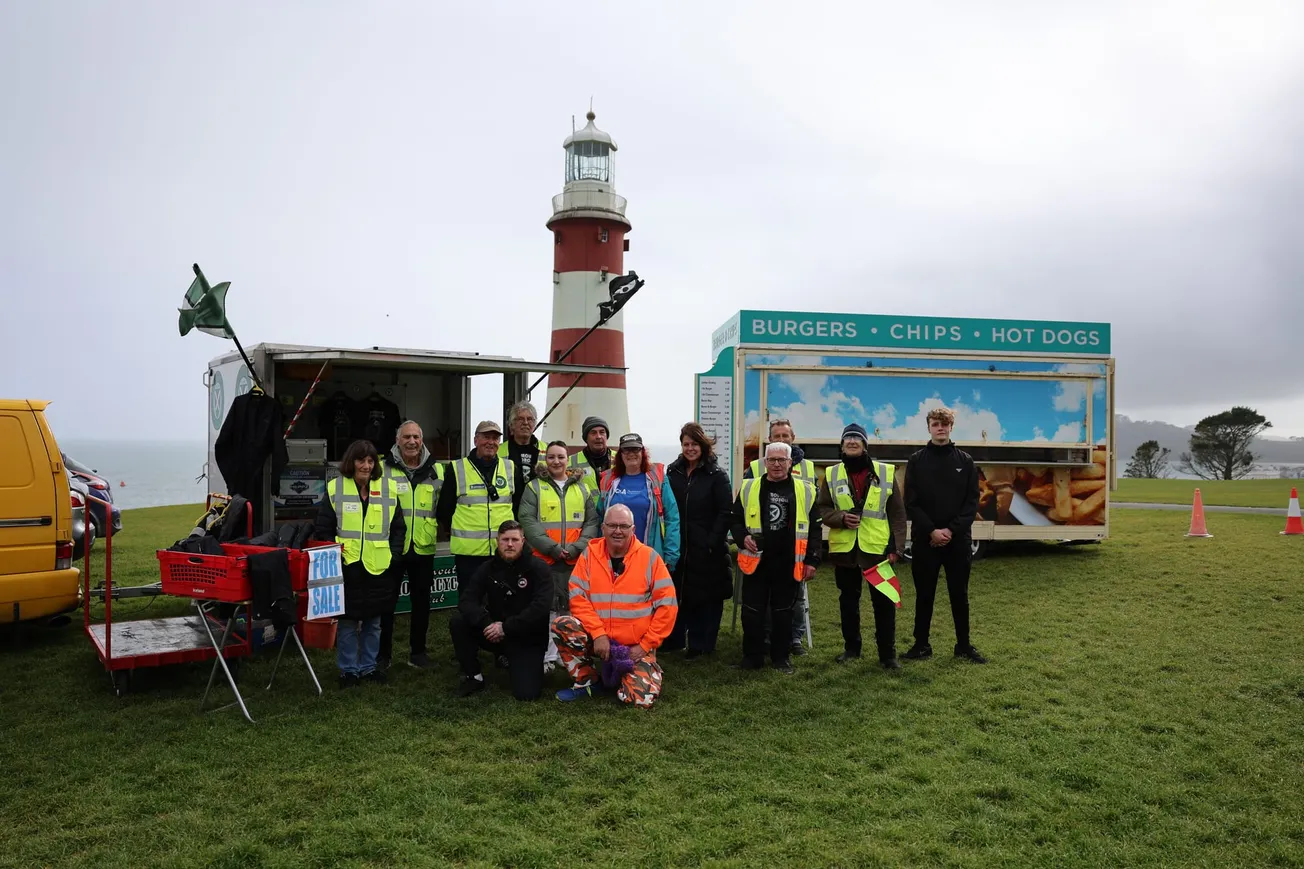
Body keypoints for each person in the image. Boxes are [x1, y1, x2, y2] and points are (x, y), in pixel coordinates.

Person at [550, 504, 678, 706]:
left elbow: (668, 606)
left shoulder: (650, 558)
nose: (618, 531)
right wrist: (599, 634)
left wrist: (645, 645)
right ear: (603, 528)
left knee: (639, 700)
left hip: (636, 646)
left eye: (624, 526)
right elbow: (578, 598)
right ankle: (588, 681)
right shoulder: (588, 555)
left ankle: (633, 672)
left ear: (633, 530)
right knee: (562, 624)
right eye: (612, 525)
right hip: (598, 639)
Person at [313, 439, 406, 687]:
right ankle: (349, 670)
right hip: (348, 565)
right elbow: (323, 529)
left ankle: (368, 667)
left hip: (379, 566)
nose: (366, 465)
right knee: (347, 622)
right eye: (360, 460)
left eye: (370, 461)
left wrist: (394, 555)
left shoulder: (388, 488)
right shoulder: (335, 488)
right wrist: (335, 557)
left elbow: (399, 529)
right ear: (350, 462)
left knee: (374, 623)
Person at [815, 423, 908, 669]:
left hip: (878, 551)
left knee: (884, 603)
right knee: (848, 601)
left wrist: (897, 548)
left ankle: (888, 655)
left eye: (857, 438)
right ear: (842, 445)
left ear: (865, 444)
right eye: (848, 438)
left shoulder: (886, 473)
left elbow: (897, 514)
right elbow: (822, 509)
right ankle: (851, 649)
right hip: (845, 550)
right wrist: (841, 518)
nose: (853, 441)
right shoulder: (832, 474)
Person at [903, 406, 987, 664]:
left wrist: (950, 530)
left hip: (957, 541)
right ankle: (921, 645)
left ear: (951, 427)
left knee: (959, 594)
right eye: (935, 423)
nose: (940, 428)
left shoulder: (966, 461)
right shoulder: (916, 461)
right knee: (924, 594)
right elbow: (911, 502)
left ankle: (963, 645)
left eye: (945, 424)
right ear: (928, 427)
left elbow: (972, 502)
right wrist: (932, 530)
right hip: (925, 541)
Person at [730, 442, 820, 675]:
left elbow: (815, 529)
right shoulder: (749, 487)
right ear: (765, 463)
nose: (777, 464)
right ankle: (752, 657)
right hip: (756, 561)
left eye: (782, 460)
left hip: (789, 562)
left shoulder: (806, 490)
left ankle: (781, 658)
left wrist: (812, 560)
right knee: (751, 611)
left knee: (784, 613)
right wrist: (742, 538)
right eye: (772, 460)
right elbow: (735, 520)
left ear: (791, 463)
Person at [518, 440, 600, 669]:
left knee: (571, 607)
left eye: (561, 457)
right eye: (552, 457)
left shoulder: (582, 488)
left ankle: (568, 653)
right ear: (546, 460)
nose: (556, 461)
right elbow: (527, 520)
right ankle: (546, 656)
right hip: (544, 560)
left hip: (574, 560)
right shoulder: (534, 487)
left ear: (567, 460)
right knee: (547, 608)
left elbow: (592, 522)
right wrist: (551, 548)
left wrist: (578, 547)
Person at [448, 520, 552, 700]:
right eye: (505, 540)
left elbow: (540, 608)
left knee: (527, 694)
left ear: (523, 541)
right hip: (494, 633)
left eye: (514, 539)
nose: (509, 544)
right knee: (458, 622)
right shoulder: (487, 568)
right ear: (497, 541)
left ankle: (512, 660)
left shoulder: (539, 568)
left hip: (527, 638)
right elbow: (467, 600)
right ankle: (473, 676)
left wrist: (506, 627)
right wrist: (486, 623)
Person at [744, 417, 816, 655]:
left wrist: (812, 559)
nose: (782, 439)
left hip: (791, 555)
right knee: (758, 605)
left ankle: (792, 641)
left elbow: (812, 517)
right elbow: (743, 508)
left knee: (793, 603)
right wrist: (743, 535)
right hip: (760, 555)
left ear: (792, 440)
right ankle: (763, 641)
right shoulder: (753, 471)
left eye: (786, 436)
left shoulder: (807, 469)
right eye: (777, 436)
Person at [377, 420, 444, 671]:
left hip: (423, 547)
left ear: (422, 440)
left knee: (421, 604)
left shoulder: (437, 470)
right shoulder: (382, 469)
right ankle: (383, 655)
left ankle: (418, 653)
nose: (412, 442)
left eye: (416, 436)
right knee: (387, 604)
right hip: (391, 548)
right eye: (406, 437)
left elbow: (444, 505)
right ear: (397, 440)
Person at [664, 422, 732, 658]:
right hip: (679, 545)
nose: (690, 448)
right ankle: (678, 640)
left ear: (703, 445)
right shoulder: (673, 473)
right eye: (686, 444)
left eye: (694, 444)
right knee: (682, 594)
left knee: (708, 597)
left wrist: (712, 542)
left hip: (707, 547)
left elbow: (725, 512)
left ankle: (703, 643)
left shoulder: (717, 475)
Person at [436, 420, 517, 592]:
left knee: (501, 599)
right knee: (470, 600)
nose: (491, 442)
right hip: (468, 554)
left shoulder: (510, 468)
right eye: (486, 437)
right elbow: (444, 508)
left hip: (501, 550)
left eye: (495, 438)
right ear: (475, 440)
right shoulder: (457, 468)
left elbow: (516, 507)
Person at [595, 433, 680, 572]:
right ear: (620, 454)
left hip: (648, 556)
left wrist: (671, 555)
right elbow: (599, 517)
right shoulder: (609, 479)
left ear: (643, 452)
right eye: (626, 450)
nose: (631, 454)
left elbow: (672, 517)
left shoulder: (657, 478)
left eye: (635, 449)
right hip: (612, 557)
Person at [498, 401, 543, 515]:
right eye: (520, 419)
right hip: (508, 512)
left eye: (530, 419)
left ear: (535, 424)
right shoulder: (498, 451)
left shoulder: (549, 450)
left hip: (540, 512)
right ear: (511, 424)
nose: (525, 423)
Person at [568, 416, 616, 491]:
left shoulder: (620, 458)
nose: (598, 436)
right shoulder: (571, 461)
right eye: (593, 433)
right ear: (586, 438)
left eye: (602, 432)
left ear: (607, 436)